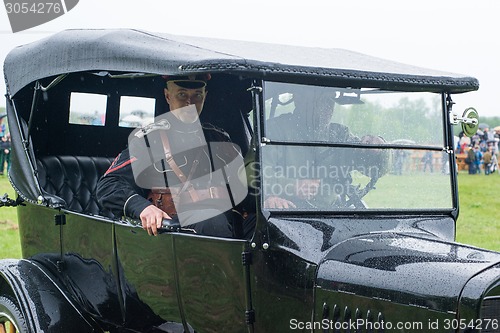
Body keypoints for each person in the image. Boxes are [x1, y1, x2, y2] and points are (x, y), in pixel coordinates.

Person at [97, 74, 254, 238]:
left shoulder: (219, 138)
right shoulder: (149, 140)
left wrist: (269, 201)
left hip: (226, 224)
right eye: (182, 94)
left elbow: (242, 188)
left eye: (197, 95)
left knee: (268, 226)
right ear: (167, 96)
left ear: (205, 96)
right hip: (177, 232)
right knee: (213, 221)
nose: (189, 102)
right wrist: (143, 208)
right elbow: (109, 185)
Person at [261, 86, 388, 209]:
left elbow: (376, 168)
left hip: (329, 216)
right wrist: (292, 186)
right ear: (298, 98)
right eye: (320, 99)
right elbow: (253, 174)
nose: (328, 106)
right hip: (286, 215)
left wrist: (377, 147)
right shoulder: (275, 130)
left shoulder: (338, 134)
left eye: (331, 99)